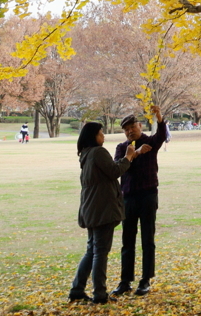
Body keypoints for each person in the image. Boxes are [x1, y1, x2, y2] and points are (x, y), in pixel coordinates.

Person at [69, 121, 137, 304]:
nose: (103, 135)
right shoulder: (98, 152)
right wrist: (129, 157)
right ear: (94, 136)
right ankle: (99, 294)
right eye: (100, 133)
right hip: (102, 209)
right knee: (99, 252)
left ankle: (77, 289)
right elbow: (115, 171)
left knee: (92, 250)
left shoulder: (86, 154)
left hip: (91, 208)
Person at [110, 105, 167, 298]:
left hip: (148, 195)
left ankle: (145, 279)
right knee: (127, 241)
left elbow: (161, 134)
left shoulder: (150, 142)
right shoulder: (121, 148)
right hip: (128, 197)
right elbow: (119, 168)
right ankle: (125, 281)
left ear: (139, 126)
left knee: (147, 239)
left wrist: (159, 116)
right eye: (126, 130)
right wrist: (136, 153)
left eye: (132, 127)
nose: (129, 132)